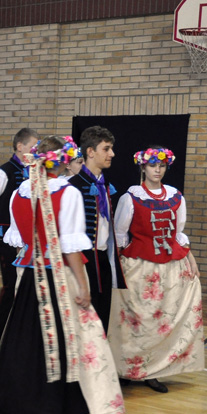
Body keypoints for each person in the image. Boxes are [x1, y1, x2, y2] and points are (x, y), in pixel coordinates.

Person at [0, 135, 124, 414]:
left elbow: (20, 241)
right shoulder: (68, 193)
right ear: (62, 161)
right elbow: (70, 248)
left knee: (25, 337)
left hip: (29, 278)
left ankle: (15, 399)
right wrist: (83, 287)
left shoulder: (20, 192)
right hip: (58, 276)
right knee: (65, 338)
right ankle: (54, 405)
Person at [109, 147, 205, 393]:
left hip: (170, 266)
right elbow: (120, 234)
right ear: (143, 167)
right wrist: (117, 266)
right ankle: (127, 368)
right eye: (152, 165)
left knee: (162, 319)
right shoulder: (131, 197)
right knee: (136, 320)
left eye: (161, 166)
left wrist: (191, 259)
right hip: (139, 267)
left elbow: (178, 233)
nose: (157, 170)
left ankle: (153, 370)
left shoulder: (175, 196)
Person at [0, 128, 38, 353]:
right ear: (20, 146)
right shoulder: (4, 172)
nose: (36, 151)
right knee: (11, 284)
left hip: (26, 240)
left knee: (22, 286)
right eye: (33, 147)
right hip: (5, 238)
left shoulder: (34, 172)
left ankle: (14, 334)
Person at [69, 126, 119, 329]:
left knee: (102, 317)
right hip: (82, 261)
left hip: (102, 260)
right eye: (106, 149)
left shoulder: (105, 185)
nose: (112, 154)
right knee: (83, 320)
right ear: (90, 152)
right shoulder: (72, 186)